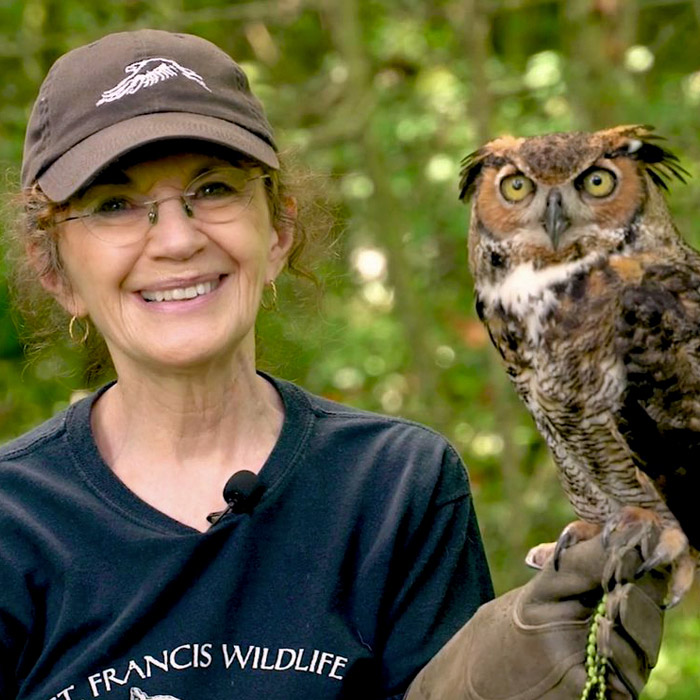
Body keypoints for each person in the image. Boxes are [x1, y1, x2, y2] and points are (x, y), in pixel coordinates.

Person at [0, 29, 666, 700]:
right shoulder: (13, 521)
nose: (176, 239)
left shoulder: (396, 487)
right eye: (115, 205)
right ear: (53, 269)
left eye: (213, 189)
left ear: (279, 231)